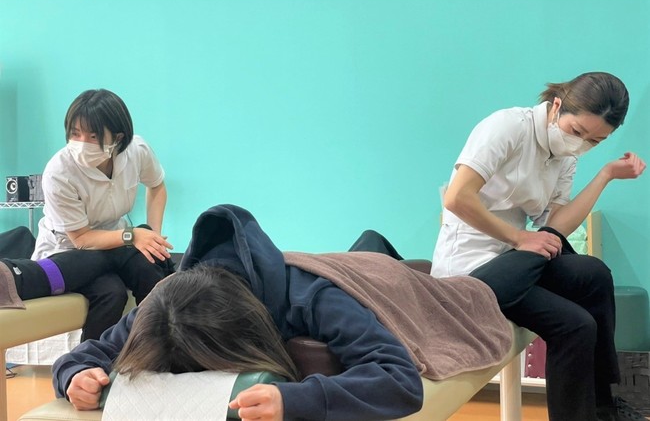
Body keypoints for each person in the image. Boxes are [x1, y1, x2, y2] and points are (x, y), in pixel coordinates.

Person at [52, 204, 515, 421]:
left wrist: (295, 400)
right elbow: (84, 356)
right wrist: (74, 376)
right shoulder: (166, 307)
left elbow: (399, 379)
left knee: (480, 284)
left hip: (386, 282)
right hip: (331, 266)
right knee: (365, 245)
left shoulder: (312, 298)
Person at [430, 71, 647, 421]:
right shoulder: (506, 127)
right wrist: (518, 238)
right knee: (576, 324)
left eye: (595, 141)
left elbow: (555, 228)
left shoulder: (565, 157)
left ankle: (605, 409)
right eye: (577, 131)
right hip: (469, 271)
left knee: (594, 272)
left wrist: (605, 175)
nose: (580, 144)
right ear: (557, 105)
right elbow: (457, 198)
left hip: (516, 263)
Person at [28, 89, 173, 341]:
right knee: (111, 293)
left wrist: (153, 235)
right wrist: (132, 236)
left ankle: (158, 347)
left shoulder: (137, 151)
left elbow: (157, 186)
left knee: (150, 272)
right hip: (70, 251)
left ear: (118, 137)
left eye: (93, 136)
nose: (82, 142)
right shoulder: (59, 172)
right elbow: (81, 239)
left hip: (117, 242)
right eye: (75, 133)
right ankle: (90, 360)